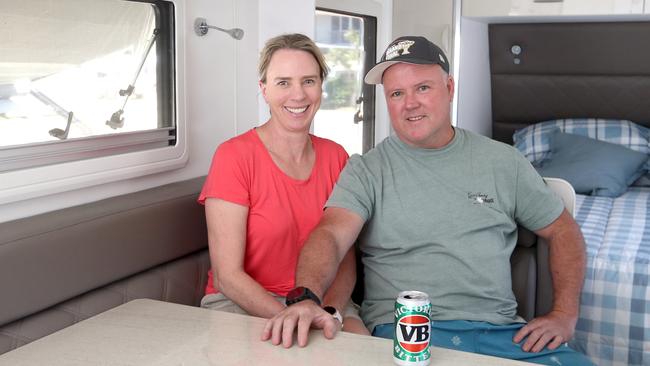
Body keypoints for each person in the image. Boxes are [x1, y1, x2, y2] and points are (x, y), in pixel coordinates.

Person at [261, 36, 594, 365]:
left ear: (449, 88)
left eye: (423, 88)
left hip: (502, 334)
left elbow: (563, 230)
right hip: (403, 336)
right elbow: (331, 234)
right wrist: (306, 297)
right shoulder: (365, 169)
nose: (410, 103)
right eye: (396, 93)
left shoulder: (504, 162)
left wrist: (564, 314)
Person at [198, 33, 368, 335]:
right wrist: (294, 316)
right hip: (244, 304)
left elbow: (344, 261)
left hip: (325, 303)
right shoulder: (233, 157)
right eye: (283, 82)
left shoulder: (337, 157)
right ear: (264, 89)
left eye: (308, 81)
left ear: (320, 87)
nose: (298, 95)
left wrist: (327, 312)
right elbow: (228, 276)